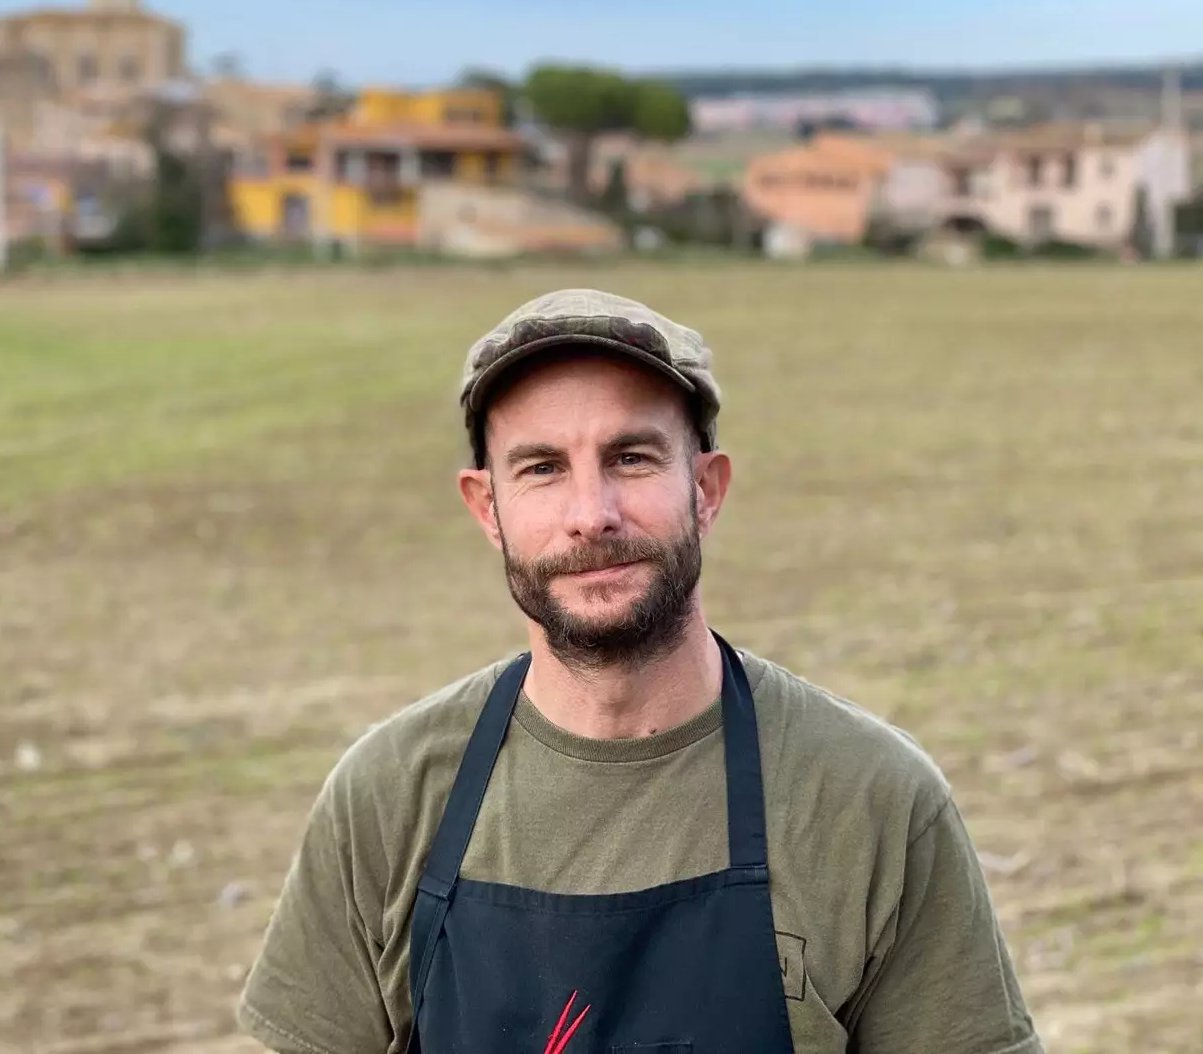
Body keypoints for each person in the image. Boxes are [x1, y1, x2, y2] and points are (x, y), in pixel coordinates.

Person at [238, 288, 1042, 1054]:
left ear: (706, 488)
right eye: (541, 468)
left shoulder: (871, 802)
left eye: (630, 457)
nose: (592, 514)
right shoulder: (387, 798)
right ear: (487, 508)